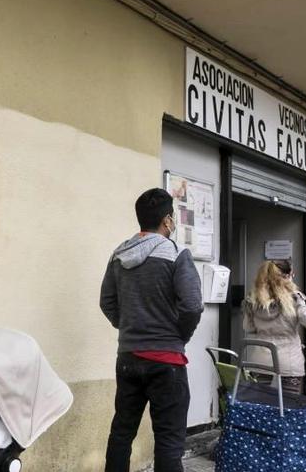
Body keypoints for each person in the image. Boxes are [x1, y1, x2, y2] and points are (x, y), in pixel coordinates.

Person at [100, 188, 204, 472]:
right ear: (168, 220)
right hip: (166, 362)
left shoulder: (119, 254)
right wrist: (178, 336)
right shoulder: (176, 253)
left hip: (128, 358)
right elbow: (193, 306)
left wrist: (130, 326)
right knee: (169, 441)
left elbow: (107, 302)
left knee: (121, 433)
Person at [242, 260, 306, 394]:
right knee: (288, 404)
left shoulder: (253, 299)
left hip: (261, 360)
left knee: (261, 403)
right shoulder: (295, 298)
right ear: (288, 276)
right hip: (289, 361)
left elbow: (248, 327)